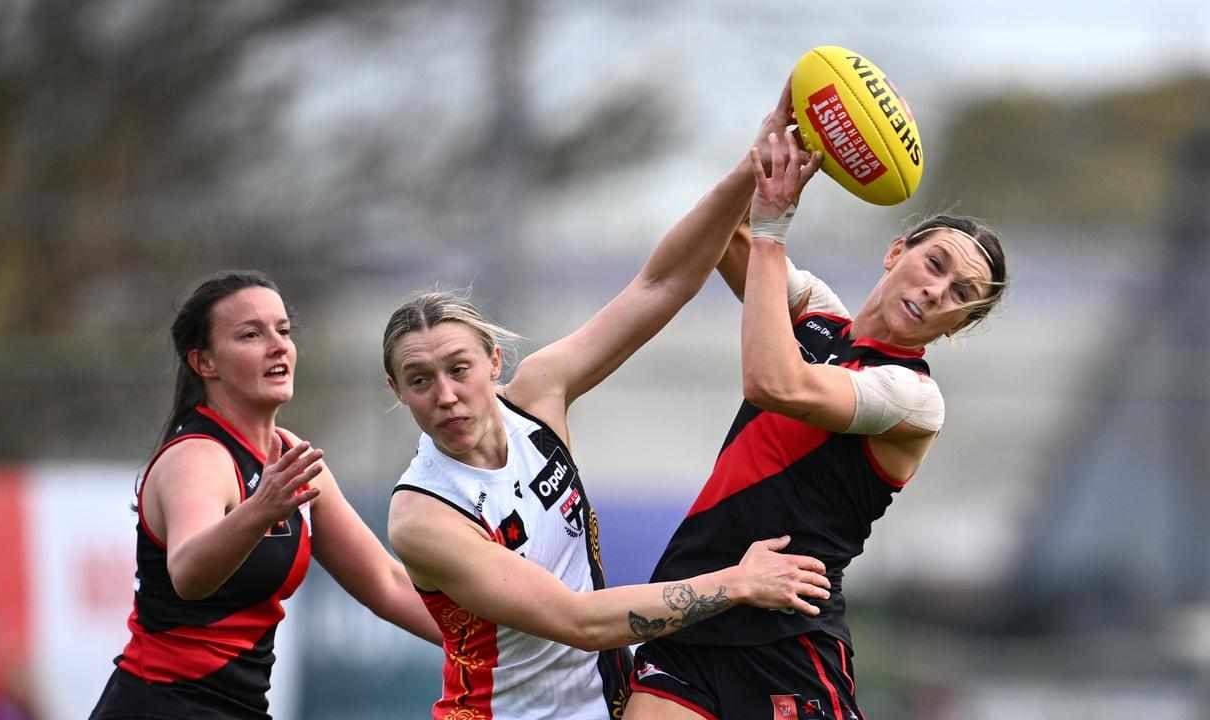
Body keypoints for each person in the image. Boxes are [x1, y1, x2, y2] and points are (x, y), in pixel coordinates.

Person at [384, 85, 833, 720]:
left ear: (493, 362)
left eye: (459, 369)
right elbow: (579, 622)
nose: (446, 395)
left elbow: (662, 283)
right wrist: (737, 582)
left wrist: (751, 166)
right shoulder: (424, 515)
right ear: (398, 392)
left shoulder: (538, 396)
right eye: (420, 380)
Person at [624, 127, 1008, 720]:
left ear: (958, 325)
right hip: (695, 604)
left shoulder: (912, 396)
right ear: (896, 251)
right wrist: (766, 149)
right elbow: (724, 235)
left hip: (786, 639)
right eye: (934, 264)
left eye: (962, 294)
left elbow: (774, 384)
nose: (937, 291)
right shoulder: (818, 314)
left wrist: (773, 230)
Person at [89, 271, 442, 720]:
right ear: (204, 363)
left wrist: (493, 641)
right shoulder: (198, 457)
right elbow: (188, 573)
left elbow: (385, 583)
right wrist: (259, 509)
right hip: (159, 706)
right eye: (251, 335)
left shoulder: (291, 456)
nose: (278, 346)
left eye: (284, 331)